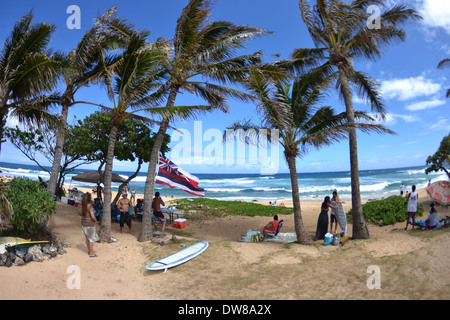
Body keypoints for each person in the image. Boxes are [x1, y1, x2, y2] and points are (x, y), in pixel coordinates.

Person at [81, 193, 99, 257]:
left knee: (87, 238)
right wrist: (96, 221)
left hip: (83, 223)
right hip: (89, 224)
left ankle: (89, 250)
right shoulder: (90, 206)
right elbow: (93, 216)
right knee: (91, 239)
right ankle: (91, 253)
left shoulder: (82, 205)